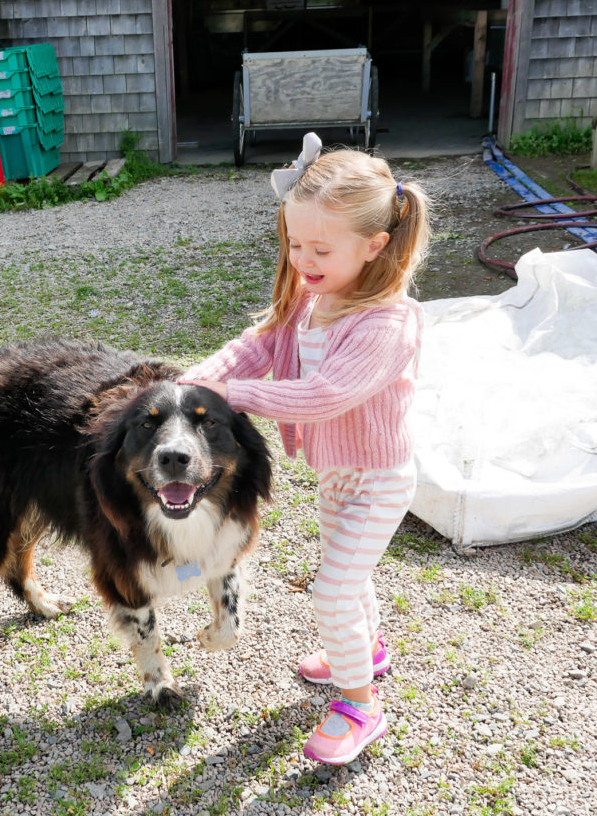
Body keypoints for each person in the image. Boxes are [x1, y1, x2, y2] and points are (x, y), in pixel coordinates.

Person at [179, 132, 430, 766]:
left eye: (321, 248)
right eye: (294, 244)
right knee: (353, 577)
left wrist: (233, 395)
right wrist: (197, 380)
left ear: (375, 246)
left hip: (379, 478)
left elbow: (324, 395)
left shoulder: (387, 323)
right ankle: (367, 651)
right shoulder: (312, 297)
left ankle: (358, 706)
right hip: (336, 472)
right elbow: (257, 343)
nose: (303, 259)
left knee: (333, 590)